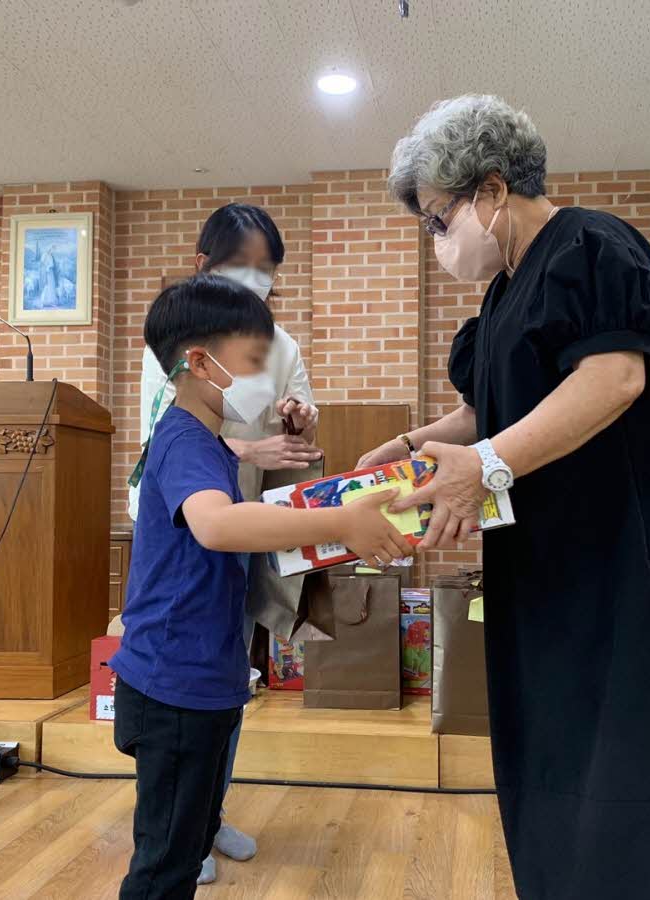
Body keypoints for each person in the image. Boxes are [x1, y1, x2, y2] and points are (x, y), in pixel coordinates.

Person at [359, 95, 650, 900]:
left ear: (491, 188)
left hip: (631, 558)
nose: (438, 239)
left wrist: (485, 465)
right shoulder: (500, 298)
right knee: (558, 751)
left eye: (440, 219)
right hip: (552, 565)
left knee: (640, 756)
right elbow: (493, 407)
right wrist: (411, 448)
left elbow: (613, 377)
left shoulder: (591, 247)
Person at [113, 273, 407, 900]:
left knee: (190, 842)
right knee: (164, 867)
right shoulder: (183, 439)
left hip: (205, 677)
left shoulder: (212, 441)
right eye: (252, 361)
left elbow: (253, 522)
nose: (263, 379)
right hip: (173, 683)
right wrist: (339, 522)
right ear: (200, 363)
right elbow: (217, 525)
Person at [129, 202, 320, 885]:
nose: (259, 276)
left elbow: (297, 416)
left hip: (245, 522)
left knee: (225, 677)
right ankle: (183, 830)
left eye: (269, 266)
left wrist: (296, 420)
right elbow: (176, 442)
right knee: (189, 697)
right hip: (198, 523)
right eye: (245, 262)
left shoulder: (271, 341)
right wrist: (333, 522)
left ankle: (204, 817)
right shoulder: (185, 344)